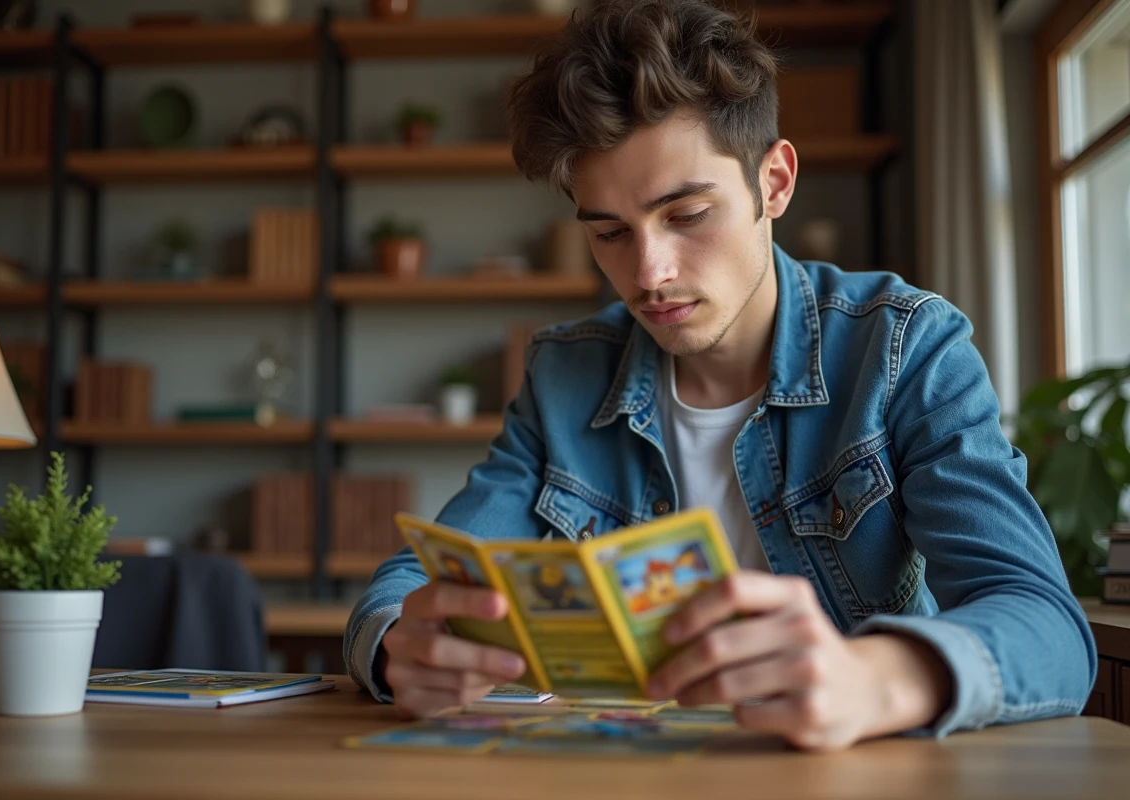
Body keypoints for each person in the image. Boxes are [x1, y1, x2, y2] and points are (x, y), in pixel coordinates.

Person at [343, 0, 1095, 751]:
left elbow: (1046, 625)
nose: (649, 274)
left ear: (774, 182)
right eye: (608, 232)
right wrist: (396, 650)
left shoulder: (906, 350)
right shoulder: (565, 373)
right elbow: (412, 583)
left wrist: (873, 678)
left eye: (688, 214)